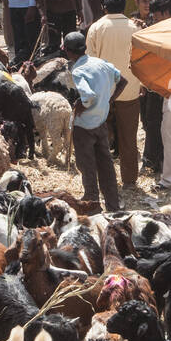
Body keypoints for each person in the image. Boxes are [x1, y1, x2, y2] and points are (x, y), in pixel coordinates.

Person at [66, 31, 126, 212]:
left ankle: (93, 207)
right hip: (101, 123)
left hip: (84, 127)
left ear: (68, 52)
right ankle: (113, 206)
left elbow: (88, 96)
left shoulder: (78, 70)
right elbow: (122, 81)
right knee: (106, 166)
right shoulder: (101, 63)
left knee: (88, 168)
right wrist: (109, 99)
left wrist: (80, 107)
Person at [87, 0, 142, 189]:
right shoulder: (135, 28)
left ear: (104, 8)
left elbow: (90, 61)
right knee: (129, 138)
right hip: (130, 91)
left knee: (101, 138)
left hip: (104, 93)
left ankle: (104, 180)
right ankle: (129, 180)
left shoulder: (96, 28)